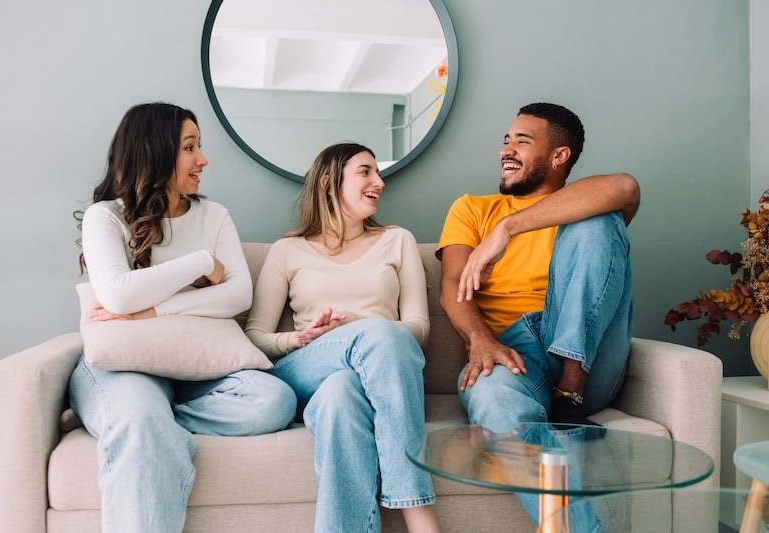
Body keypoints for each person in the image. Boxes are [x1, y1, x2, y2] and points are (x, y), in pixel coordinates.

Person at [69, 102, 297, 532]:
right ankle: (146, 416)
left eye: (199, 146)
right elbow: (117, 297)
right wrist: (198, 263)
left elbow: (237, 295)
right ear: (155, 152)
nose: (203, 160)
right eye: (190, 147)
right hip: (125, 367)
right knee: (138, 419)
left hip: (196, 372)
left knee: (274, 400)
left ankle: (162, 417)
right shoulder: (107, 216)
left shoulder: (214, 216)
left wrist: (155, 309)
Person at [436, 102, 639, 526]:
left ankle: (569, 393)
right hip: (510, 355)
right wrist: (482, 341)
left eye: (522, 141)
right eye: (505, 141)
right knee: (491, 399)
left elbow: (624, 186)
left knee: (598, 220)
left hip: (589, 359)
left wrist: (507, 229)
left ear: (558, 156)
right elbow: (454, 291)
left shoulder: (581, 207)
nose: (507, 150)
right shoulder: (472, 209)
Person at [245, 142, 440, 533]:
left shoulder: (397, 240)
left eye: (378, 173)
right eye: (365, 172)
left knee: (341, 397)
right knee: (372, 339)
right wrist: (298, 340)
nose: (379, 182)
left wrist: (359, 325)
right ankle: (419, 516)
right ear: (328, 183)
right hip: (308, 364)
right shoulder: (288, 250)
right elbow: (256, 335)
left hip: (375, 366)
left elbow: (418, 327)